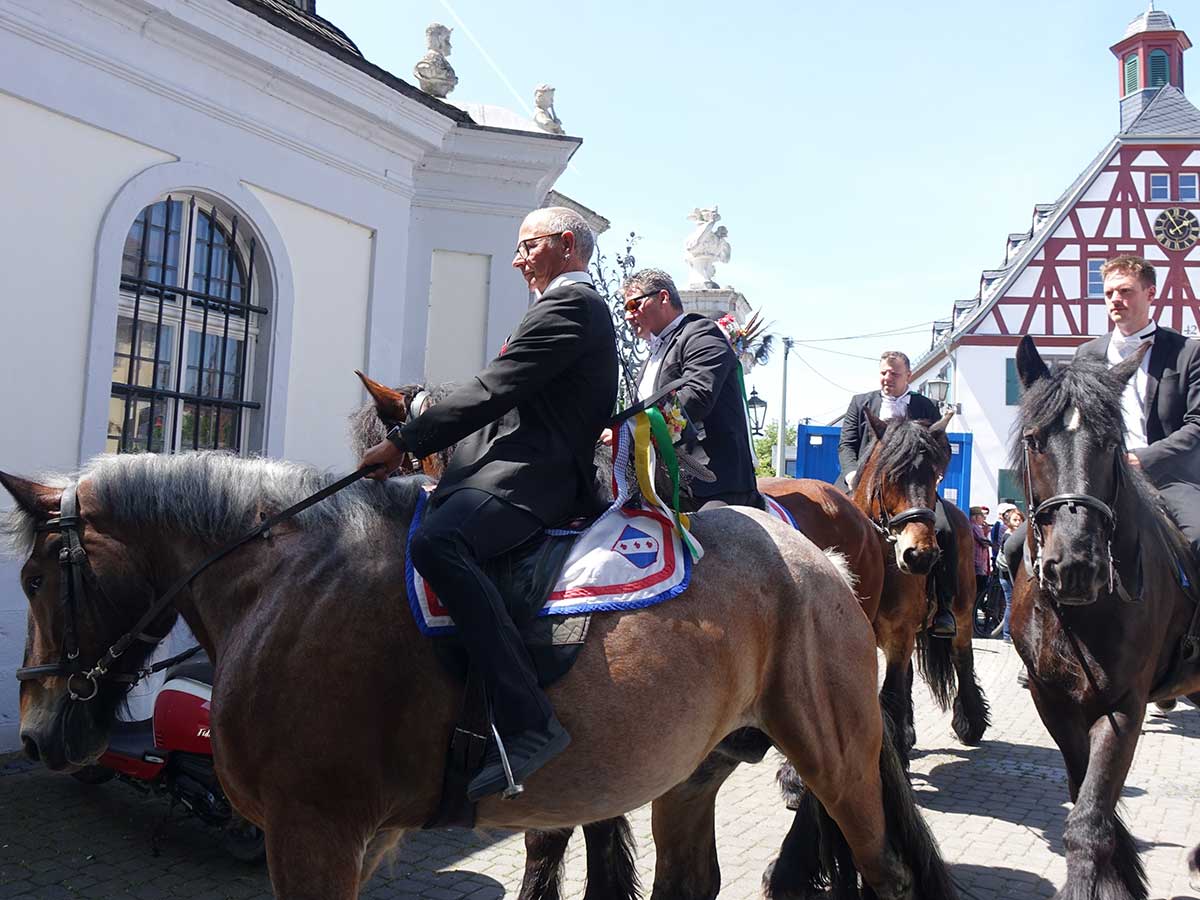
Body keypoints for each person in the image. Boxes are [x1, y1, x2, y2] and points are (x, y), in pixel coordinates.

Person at [359, 207, 617, 800]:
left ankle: (528, 718)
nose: (517, 259)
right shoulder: (553, 308)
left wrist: (403, 440)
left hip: (539, 475)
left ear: (567, 246)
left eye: (528, 247)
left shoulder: (571, 304)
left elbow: (493, 390)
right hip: (517, 463)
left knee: (437, 541)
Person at [838, 351, 959, 637]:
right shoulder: (861, 402)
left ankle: (944, 607)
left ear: (909, 376)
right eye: (883, 372)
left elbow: (943, 447)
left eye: (893, 373)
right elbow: (846, 444)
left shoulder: (924, 405)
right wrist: (853, 473)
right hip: (863, 483)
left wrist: (935, 474)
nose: (886, 378)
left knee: (946, 529)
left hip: (912, 487)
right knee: (826, 518)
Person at [620, 267, 759, 511]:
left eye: (633, 305)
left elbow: (696, 396)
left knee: (706, 546)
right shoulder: (652, 355)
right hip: (662, 485)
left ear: (663, 297)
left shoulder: (702, 333)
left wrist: (629, 431)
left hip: (711, 485)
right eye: (624, 310)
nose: (628, 316)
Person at [992, 503, 1023, 641]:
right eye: (1015, 520)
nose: (1018, 523)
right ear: (1008, 522)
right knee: (1010, 603)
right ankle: (1007, 634)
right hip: (1006, 575)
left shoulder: (1017, 535)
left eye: (1020, 520)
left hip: (1012, 575)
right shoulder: (1008, 536)